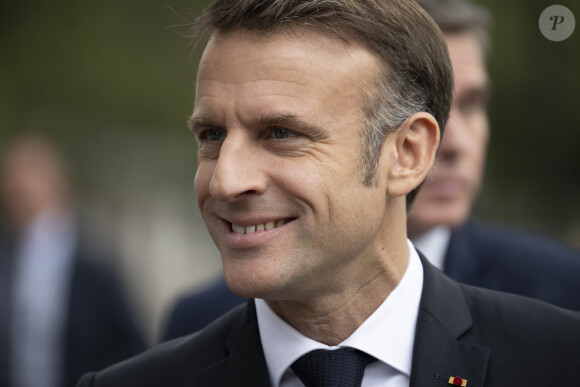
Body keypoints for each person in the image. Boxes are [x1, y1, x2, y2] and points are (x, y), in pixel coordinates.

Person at [78, 1, 580, 386]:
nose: (225, 181)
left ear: (407, 153)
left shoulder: (558, 359)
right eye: (212, 136)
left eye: (280, 133)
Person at [0, 134, 146, 387]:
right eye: (12, 176)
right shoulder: (8, 258)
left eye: (31, 173)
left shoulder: (94, 265)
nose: (19, 185)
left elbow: (129, 346)